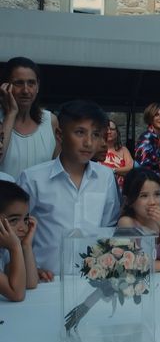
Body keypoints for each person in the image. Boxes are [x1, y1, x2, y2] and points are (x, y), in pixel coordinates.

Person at [18, 100, 120, 281]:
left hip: (91, 282)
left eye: (96, 134)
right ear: (59, 135)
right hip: (44, 281)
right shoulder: (33, 179)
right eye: (80, 132)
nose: (88, 142)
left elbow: (108, 229)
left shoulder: (105, 178)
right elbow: (15, 233)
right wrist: (31, 267)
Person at [0, 57, 60, 179]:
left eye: (31, 83)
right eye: (19, 83)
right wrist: (11, 113)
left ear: (37, 86)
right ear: (6, 87)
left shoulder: (50, 121)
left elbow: (57, 170)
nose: (26, 90)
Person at [0, 181, 38, 301]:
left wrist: (26, 245)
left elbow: (30, 283)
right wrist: (15, 247)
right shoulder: (11, 246)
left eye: (25, 219)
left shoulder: (4, 247)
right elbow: (16, 293)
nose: (24, 228)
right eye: (14, 220)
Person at [134, 102, 160, 184]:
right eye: (157, 115)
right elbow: (144, 169)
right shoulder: (145, 139)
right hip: (148, 183)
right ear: (150, 118)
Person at [102, 120, 133, 190]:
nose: (109, 132)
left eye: (112, 129)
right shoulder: (97, 150)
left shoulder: (123, 150)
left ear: (117, 132)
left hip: (120, 189)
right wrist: (121, 171)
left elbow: (130, 167)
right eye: (106, 129)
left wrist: (112, 170)